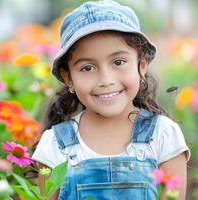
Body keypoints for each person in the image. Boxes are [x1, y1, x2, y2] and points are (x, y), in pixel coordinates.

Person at [31, 0, 190, 199]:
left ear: (142, 65)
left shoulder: (163, 135)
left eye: (118, 62)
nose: (106, 80)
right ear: (68, 77)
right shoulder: (55, 145)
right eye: (87, 67)